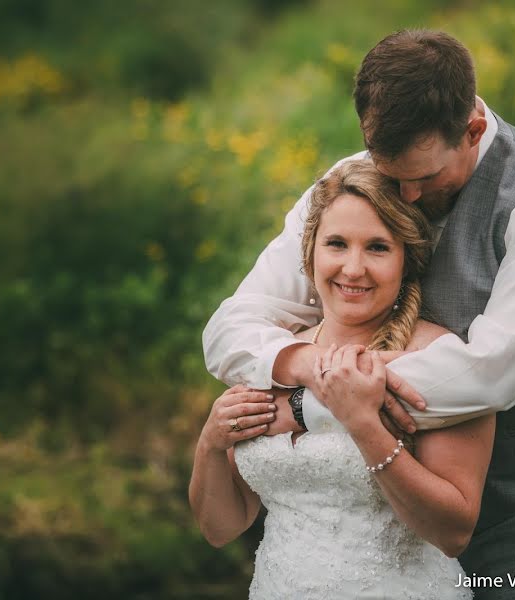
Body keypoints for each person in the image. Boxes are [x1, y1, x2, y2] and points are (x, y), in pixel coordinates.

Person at [202, 30, 515, 599]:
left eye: (422, 178)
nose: (406, 197)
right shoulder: (353, 182)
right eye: (390, 172)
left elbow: (487, 374)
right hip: (392, 524)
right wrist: (304, 365)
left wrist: (301, 404)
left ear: (472, 129)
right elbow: (230, 328)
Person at [190, 160, 492, 598]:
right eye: (336, 244)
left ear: (407, 260)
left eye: (377, 248)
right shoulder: (274, 356)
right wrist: (211, 443)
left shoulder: (438, 358)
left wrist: (364, 425)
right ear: (310, 252)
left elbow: (453, 532)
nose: (353, 269)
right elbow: (222, 528)